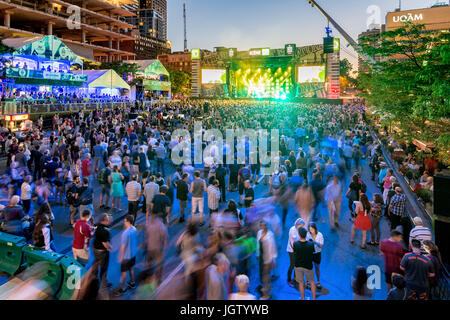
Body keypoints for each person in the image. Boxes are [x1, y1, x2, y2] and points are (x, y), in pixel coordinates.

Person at [115, 215, 138, 296]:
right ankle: (132, 283)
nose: (124, 222)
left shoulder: (125, 233)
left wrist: (120, 256)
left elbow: (123, 247)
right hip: (133, 254)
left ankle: (123, 288)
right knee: (131, 268)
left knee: (124, 272)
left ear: (128, 222)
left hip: (126, 256)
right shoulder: (134, 229)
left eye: (125, 221)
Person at [293, 227, 316, 300]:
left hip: (298, 266)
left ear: (299, 234)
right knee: (312, 282)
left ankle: (303, 298)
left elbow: (295, 253)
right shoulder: (310, 245)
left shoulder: (295, 244)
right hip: (308, 266)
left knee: (301, 283)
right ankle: (314, 299)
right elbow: (313, 253)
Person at [145, 213, 168, 285]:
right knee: (159, 264)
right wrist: (166, 244)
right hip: (158, 248)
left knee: (149, 263)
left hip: (150, 248)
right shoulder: (162, 226)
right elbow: (165, 238)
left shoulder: (148, 225)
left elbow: (146, 236)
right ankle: (159, 279)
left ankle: (149, 277)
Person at [256, 219, 277, 300]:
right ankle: (267, 289)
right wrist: (257, 254)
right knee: (262, 274)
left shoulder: (270, 235)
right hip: (261, 257)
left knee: (266, 276)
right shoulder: (259, 233)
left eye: (263, 224)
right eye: (261, 224)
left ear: (267, 226)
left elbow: (273, 248)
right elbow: (258, 244)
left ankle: (266, 294)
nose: (261, 226)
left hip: (268, 259)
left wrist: (273, 259)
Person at [92, 213, 112, 288]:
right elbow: (105, 244)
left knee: (96, 264)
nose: (109, 220)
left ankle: (93, 280)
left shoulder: (100, 226)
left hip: (95, 248)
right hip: (102, 252)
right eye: (107, 219)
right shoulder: (102, 230)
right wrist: (110, 248)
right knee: (104, 268)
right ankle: (103, 283)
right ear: (103, 221)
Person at [286, 218, 304, 287]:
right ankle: (288, 280)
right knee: (292, 265)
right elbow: (292, 243)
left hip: (298, 250)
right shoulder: (292, 230)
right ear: (297, 225)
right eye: (301, 225)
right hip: (292, 250)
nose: (302, 227)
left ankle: (295, 277)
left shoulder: (301, 230)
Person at [307, 222, 324, 290]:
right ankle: (308, 281)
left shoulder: (320, 235)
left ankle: (318, 281)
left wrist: (314, 242)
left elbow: (322, 246)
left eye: (312, 229)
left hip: (317, 254)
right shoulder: (308, 235)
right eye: (309, 229)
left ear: (315, 228)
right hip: (310, 253)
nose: (311, 230)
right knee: (309, 268)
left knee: (317, 268)